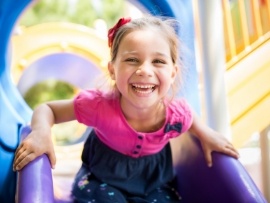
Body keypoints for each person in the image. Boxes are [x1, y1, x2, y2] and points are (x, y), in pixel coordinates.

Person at [14, 16, 239, 203]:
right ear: (113, 70)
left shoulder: (175, 114)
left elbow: (189, 118)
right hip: (101, 179)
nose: (144, 70)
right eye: (132, 60)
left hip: (154, 183)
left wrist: (205, 133)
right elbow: (47, 109)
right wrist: (41, 132)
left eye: (158, 62)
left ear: (173, 72)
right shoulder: (98, 106)